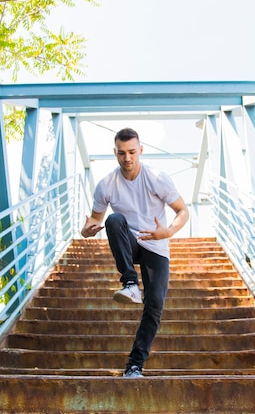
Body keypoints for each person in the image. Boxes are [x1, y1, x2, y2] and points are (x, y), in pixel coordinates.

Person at [80, 127, 189, 378]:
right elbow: (94, 222)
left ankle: (134, 366)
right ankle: (130, 283)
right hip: (130, 243)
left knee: (154, 306)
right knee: (113, 220)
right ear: (115, 153)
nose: (127, 158)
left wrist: (168, 231)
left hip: (156, 244)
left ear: (140, 150)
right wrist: (87, 231)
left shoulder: (157, 177)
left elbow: (183, 210)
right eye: (121, 153)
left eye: (131, 152)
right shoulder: (106, 184)